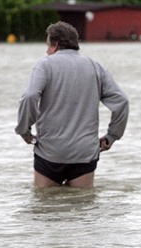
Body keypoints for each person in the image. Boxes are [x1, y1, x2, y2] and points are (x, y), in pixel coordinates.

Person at [15, 21, 129, 189]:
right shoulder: (95, 67)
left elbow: (30, 96)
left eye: (47, 45)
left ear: (55, 45)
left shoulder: (44, 65)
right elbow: (122, 102)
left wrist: (24, 131)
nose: (47, 51)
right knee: (82, 210)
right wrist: (112, 136)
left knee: (44, 209)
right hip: (84, 154)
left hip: (50, 153)